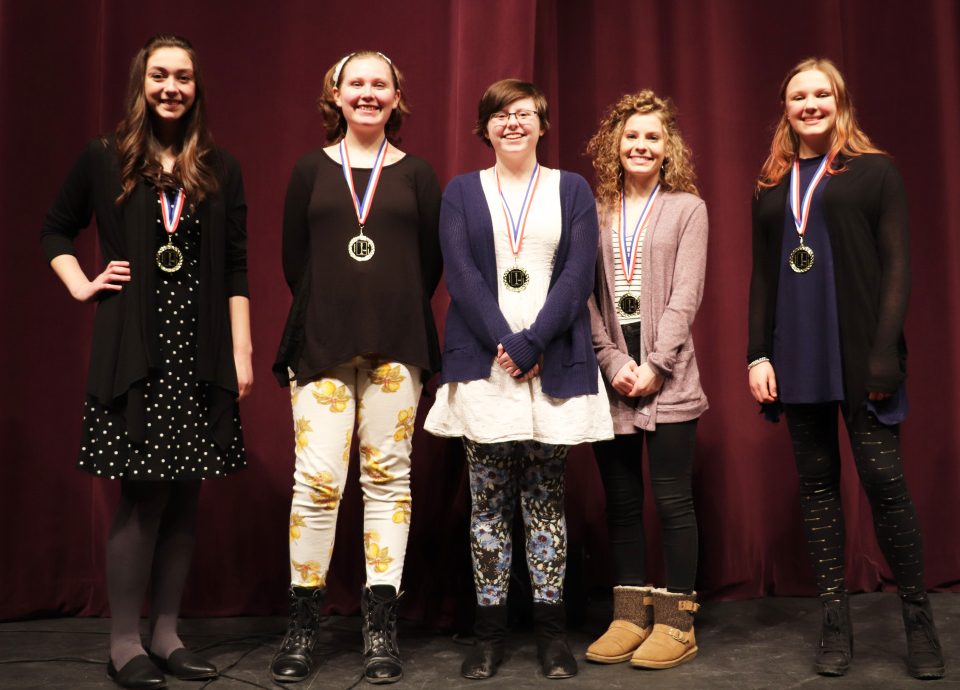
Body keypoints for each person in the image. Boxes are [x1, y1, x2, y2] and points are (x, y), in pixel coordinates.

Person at [40, 34, 251, 690]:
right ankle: (125, 641)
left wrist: (241, 352)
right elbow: (55, 227)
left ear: (196, 87)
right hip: (136, 351)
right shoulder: (105, 158)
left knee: (185, 497)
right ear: (141, 82)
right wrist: (80, 281)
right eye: (160, 75)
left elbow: (237, 267)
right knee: (141, 498)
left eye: (183, 77)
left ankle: (168, 633)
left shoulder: (219, 165)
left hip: (201, 352)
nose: (171, 88)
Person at [747, 57, 944, 680]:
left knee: (885, 485)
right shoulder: (772, 185)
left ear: (840, 102)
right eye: (798, 96)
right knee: (818, 490)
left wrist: (885, 353)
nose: (810, 104)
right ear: (785, 107)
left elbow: (898, 267)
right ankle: (835, 623)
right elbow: (760, 277)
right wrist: (757, 352)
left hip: (861, 355)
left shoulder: (875, 171)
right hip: (795, 353)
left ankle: (919, 623)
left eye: (821, 94)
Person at [425, 78, 613, 681]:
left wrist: (534, 342)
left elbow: (578, 275)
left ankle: (553, 637)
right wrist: (508, 343)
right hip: (485, 368)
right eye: (500, 116)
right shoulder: (461, 191)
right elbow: (461, 275)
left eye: (524, 114)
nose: (513, 124)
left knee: (545, 502)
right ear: (485, 128)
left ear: (542, 124)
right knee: (486, 506)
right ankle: (488, 635)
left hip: (550, 360)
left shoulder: (572, 188)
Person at [270, 50, 441, 685]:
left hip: (398, 344)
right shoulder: (309, 169)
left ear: (396, 97)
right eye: (357, 84)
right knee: (316, 482)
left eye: (380, 85)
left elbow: (428, 266)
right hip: (321, 345)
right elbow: (295, 262)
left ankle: (380, 627)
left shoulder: (419, 174)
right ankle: (303, 623)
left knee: (388, 480)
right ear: (336, 95)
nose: (368, 93)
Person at [582, 90, 708, 670]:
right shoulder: (595, 210)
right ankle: (630, 615)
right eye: (631, 136)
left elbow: (686, 294)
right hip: (613, 376)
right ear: (616, 144)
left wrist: (656, 364)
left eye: (652, 136)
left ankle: (678, 622)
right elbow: (583, 298)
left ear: (667, 148)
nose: (640, 145)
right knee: (623, 504)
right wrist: (612, 361)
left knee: (673, 501)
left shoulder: (687, 208)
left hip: (669, 373)